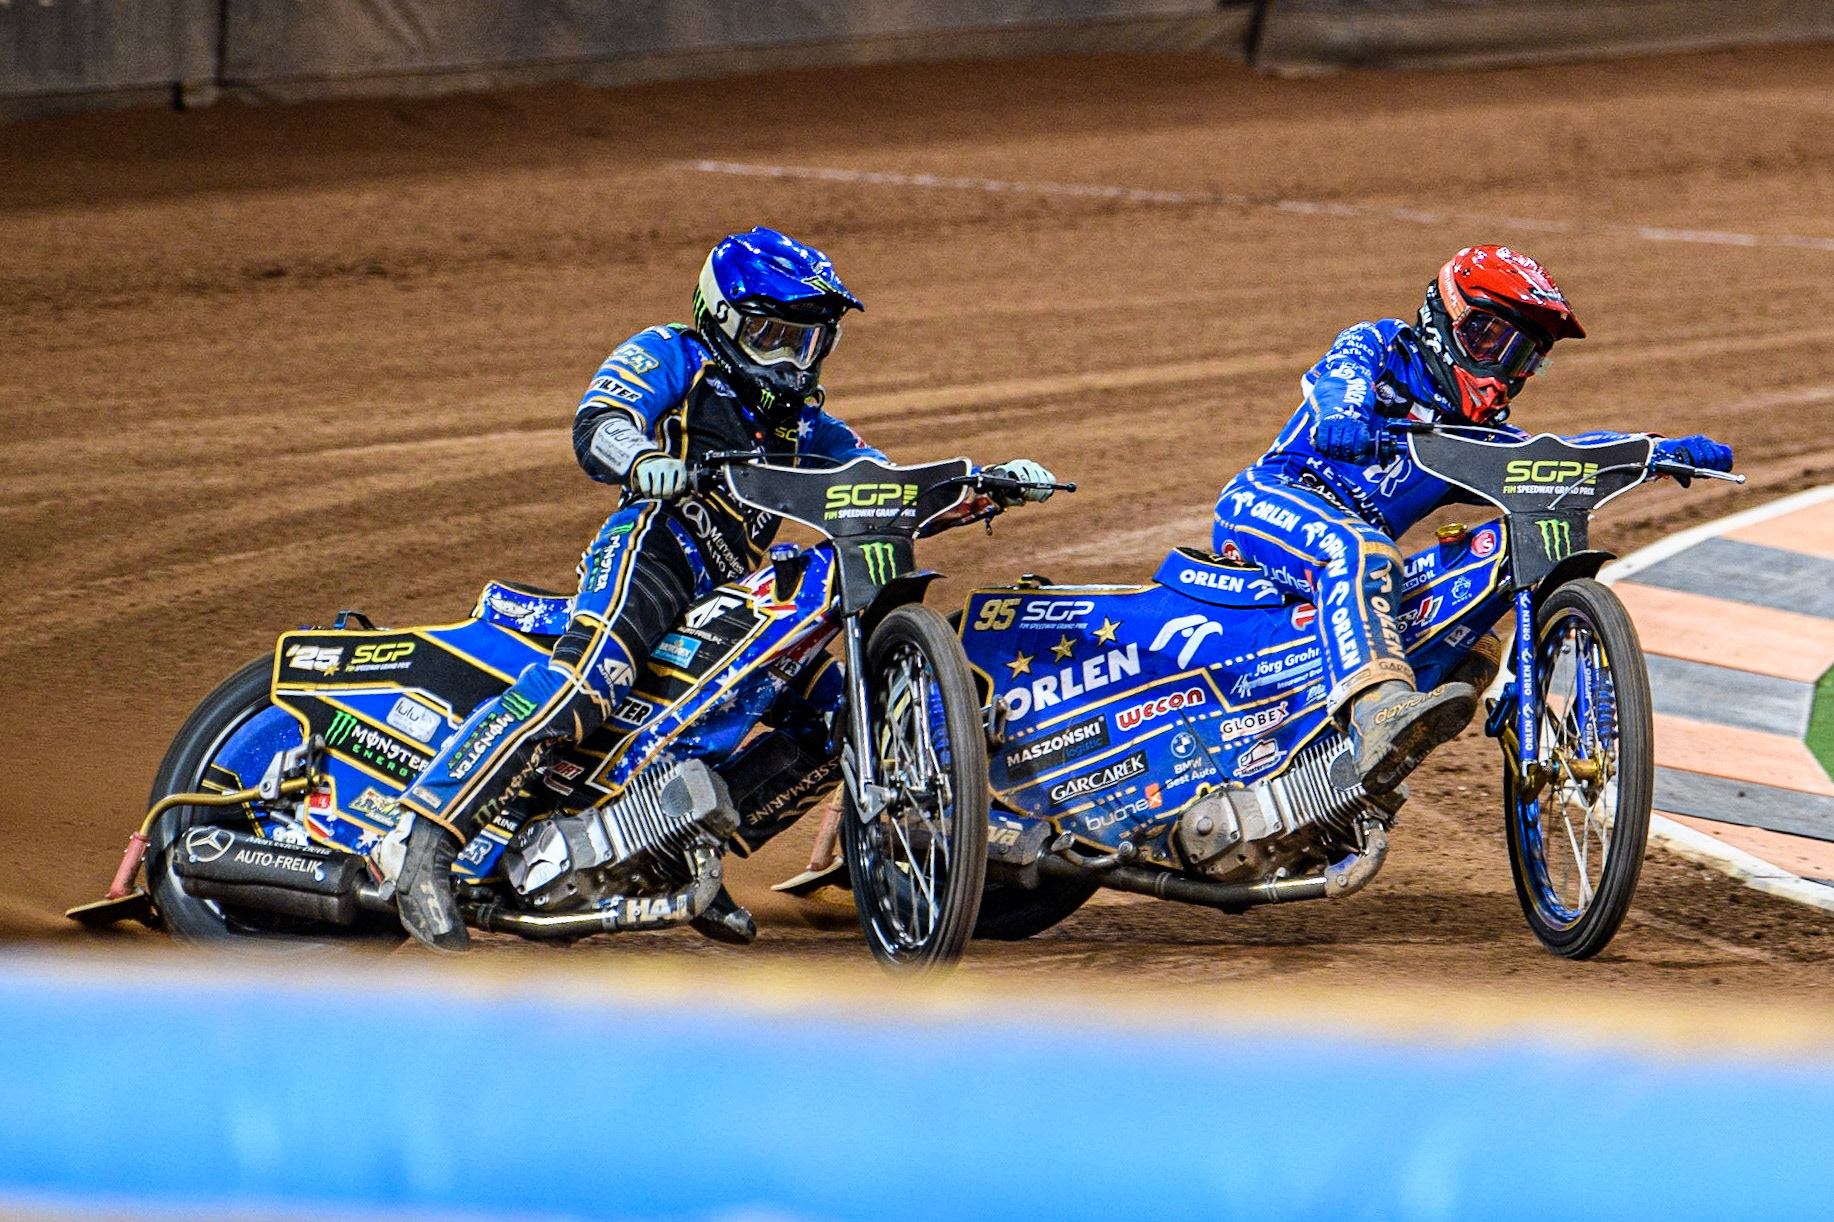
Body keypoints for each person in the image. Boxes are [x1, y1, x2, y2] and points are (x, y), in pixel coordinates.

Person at [390, 226, 1057, 952]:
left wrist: (980, 490)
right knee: (586, 684)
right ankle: (429, 845)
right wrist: (642, 458)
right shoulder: (672, 351)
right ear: (726, 320)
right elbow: (600, 420)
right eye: (774, 335)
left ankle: (678, 852)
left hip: (734, 595)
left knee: (834, 724)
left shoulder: (805, 425)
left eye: (806, 341)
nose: (791, 357)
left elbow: (879, 489)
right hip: (652, 553)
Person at [1212, 245, 1732, 794]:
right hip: (1269, 500)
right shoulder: (1382, 343)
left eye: (1521, 357)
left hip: (1350, 553)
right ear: (1445, 318)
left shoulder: (1476, 438)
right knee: (1361, 552)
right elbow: (1344, 374)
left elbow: (1554, 457)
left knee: (1479, 617)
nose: (1501, 372)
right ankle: (1376, 712)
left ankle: (1348, 779)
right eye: (1489, 341)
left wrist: (1653, 451)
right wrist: (1345, 412)